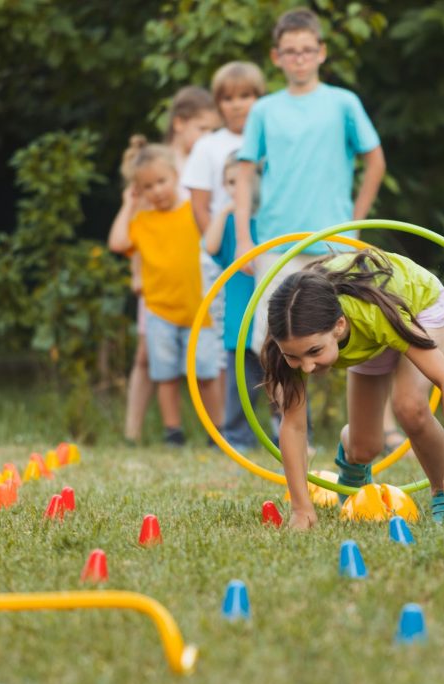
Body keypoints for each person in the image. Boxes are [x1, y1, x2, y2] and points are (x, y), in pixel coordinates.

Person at [260, 249, 444, 531]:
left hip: (418, 307)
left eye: (314, 351)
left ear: (339, 326)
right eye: (294, 357)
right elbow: (295, 427)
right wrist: (301, 509)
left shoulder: (373, 315)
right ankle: (352, 467)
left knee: (409, 406)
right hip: (369, 336)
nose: (307, 367)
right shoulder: (291, 337)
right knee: (365, 448)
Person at [233, 6, 386, 358]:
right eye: (290, 51)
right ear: (277, 57)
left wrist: (356, 224)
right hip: (276, 241)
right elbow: (244, 175)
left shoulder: (343, 103)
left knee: (355, 333)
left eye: (306, 50)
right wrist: (244, 239)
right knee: (272, 340)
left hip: (336, 240)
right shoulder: (264, 110)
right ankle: (287, 416)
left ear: (321, 51)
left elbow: (375, 160)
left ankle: (369, 414)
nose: (299, 59)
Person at [116, 87, 219, 445]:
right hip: (157, 287)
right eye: (203, 129)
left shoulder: (202, 166)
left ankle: (216, 430)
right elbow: (135, 237)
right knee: (153, 358)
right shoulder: (153, 166)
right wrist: (135, 273)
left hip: (195, 286)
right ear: (180, 124)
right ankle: (143, 432)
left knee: (206, 362)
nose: (209, 137)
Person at [183, 61, 266, 433]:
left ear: (259, 99)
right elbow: (200, 205)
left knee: (267, 335)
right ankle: (229, 426)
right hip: (223, 254)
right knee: (228, 342)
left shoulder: (268, 138)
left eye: (246, 96)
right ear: (218, 104)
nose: (237, 105)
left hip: (265, 249)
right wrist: (221, 251)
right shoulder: (208, 146)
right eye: (228, 99)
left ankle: (280, 424)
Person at [201, 153, 274, 451]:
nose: (236, 188)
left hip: (270, 317)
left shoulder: (272, 219)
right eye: (229, 182)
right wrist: (224, 212)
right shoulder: (232, 224)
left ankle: (286, 434)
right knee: (240, 385)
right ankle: (237, 437)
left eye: (242, 180)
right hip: (239, 318)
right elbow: (210, 246)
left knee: (279, 379)